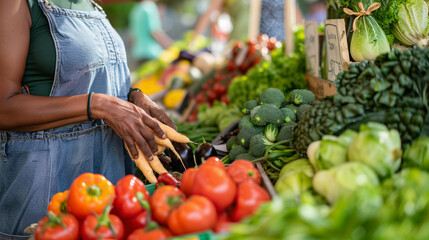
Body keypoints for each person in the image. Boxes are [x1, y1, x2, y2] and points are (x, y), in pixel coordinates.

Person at [0, 0, 177, 238]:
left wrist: (133, 96)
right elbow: (4, 106)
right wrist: (99, 105)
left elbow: (96, 78)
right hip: (45, 185)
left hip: (107, 183)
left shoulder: (92, 6)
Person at [129, 0, 173, 65]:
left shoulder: (135, 9)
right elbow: (155, 32)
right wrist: (171, 46)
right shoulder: (149, 6)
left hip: (138, 54)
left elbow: (131, 37)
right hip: (151, 54)